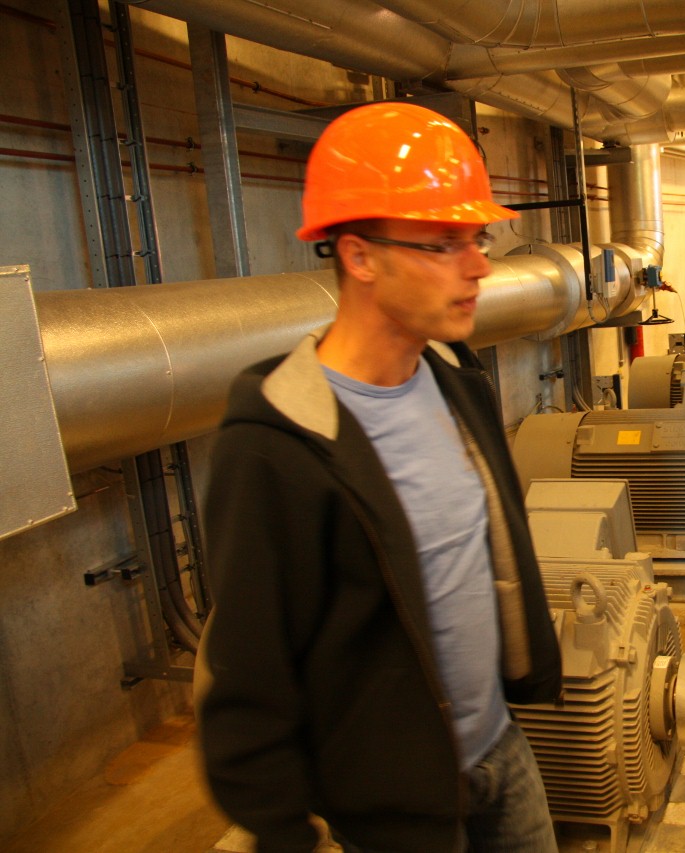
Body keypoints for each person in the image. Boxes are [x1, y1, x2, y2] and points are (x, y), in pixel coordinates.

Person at [196, 102, 563, 853]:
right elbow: (247, 671)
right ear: (360, 256)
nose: (479, 266)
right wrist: (286, 830)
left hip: (502, 755)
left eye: (478, 238)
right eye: (443, 244)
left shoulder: (460, 379)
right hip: (391, 808)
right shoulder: (278, 440)